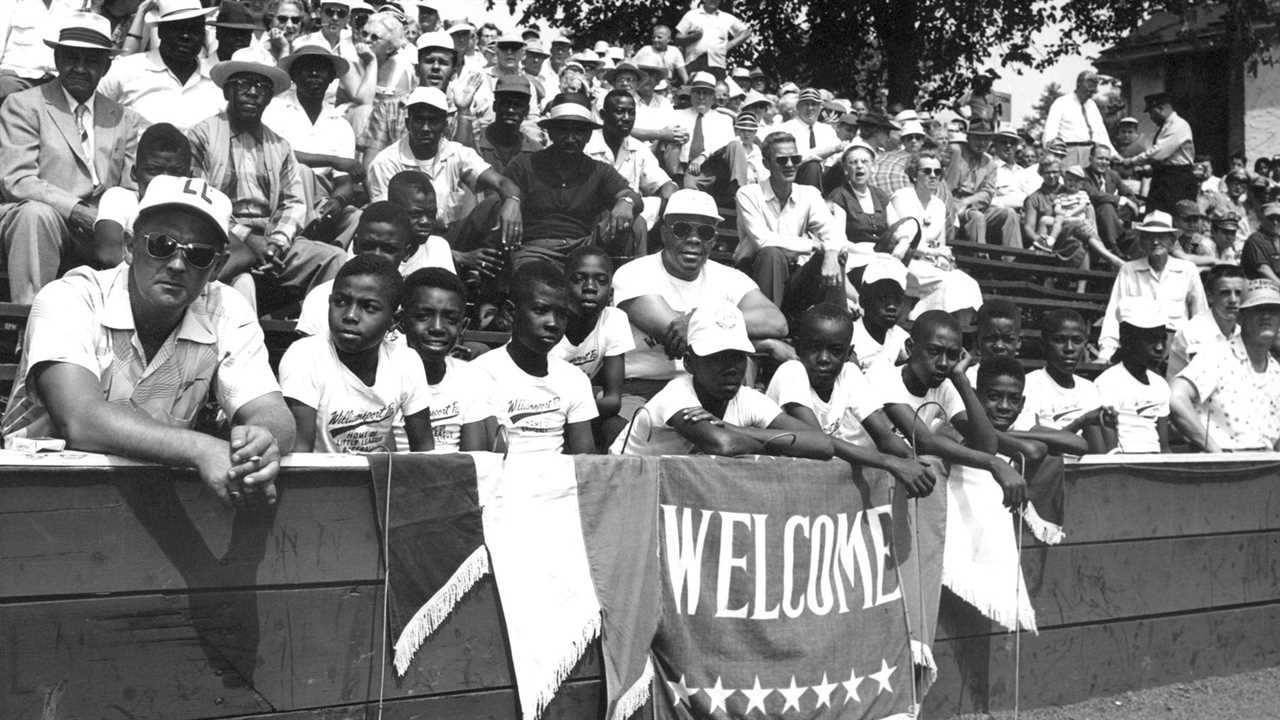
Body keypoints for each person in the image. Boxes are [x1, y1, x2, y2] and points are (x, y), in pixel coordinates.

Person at [1, 176, 294, 507]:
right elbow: (80, 420)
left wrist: (261, 441)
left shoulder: (226, 308)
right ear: (129, 246)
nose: (177, 264)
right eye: (161, 245)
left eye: (199, 254)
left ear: (217, 266)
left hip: (146, 494)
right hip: (32, 496)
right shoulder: (70, 297)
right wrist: (200, 448)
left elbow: (273, 412)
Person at [0, 13, 147, 303]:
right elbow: (17, 181)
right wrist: (76, 209)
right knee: (35, 215)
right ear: (57, 58)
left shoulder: (123, 118)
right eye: (71, 58)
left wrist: (108, 217)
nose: (80, 68)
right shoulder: (24, 105)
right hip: (42, 219)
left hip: (102, 229)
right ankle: (31, 326)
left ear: (106, 67)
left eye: (91, 61)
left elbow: (131, 186)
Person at [190, 48, 347, 313]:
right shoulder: (201, 135)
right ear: (227, 91)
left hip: (274, 241)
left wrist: (276, 244)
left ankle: (315, 338)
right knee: (242, 283)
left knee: (334, 259)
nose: (253, 92)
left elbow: (294, 203)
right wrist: (248, 238)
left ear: (269, 98)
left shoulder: (279, 145)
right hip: (224, 239)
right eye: (244, 84)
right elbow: (200, 200)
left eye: (262, 86)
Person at [612, 188, 789, 395]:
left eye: (705, 232)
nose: (694, 239)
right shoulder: (634, 273)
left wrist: (693, 320)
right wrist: (762, 343)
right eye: (682, 229)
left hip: (709, 391)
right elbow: (675, 331)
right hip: (648, 386)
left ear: (714, 239)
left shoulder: (730, 277)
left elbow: (776, 321)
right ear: (664, 233)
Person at [611, 301, 833, 458]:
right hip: (628, 484)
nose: (730, 368)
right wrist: (782, 443)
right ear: (689, 362)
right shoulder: (677, 395)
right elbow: (722, 444)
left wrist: (740, 430)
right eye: (717, 358)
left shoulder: (746, 398)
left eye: (737, 357)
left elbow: (821, 443)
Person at [766, 302, 937, 495]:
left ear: (849, 353)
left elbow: (884, 436)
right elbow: (818, 442)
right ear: (798, 347)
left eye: (835, 350)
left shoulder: (850, 374)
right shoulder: (791, 372)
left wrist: (912, 461)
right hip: (779, 481)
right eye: (814, 348)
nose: (823, 358)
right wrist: (892, 462)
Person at [868, 310, 1028, 508]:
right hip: (859, 475)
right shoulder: (882, 374)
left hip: (893, 482)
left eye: (952, 355)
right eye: (934, 351)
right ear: (910, 348)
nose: (943, 363)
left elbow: (986, 445)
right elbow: (924, 441)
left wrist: (961, 380)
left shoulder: (945, 385)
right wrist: (994, 463)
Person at [280, 254, 433, 453]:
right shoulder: (305, 356)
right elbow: (299, 454)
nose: (350, 316)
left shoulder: (406, 361)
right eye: (340, 302)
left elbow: (424, 448)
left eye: (369, 307)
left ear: (394, 320)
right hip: (317, 479)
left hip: (379, 478)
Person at [466, 260, 598, 454]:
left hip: (559, 482)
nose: (553, 323)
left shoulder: (574, 379)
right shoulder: (481, 374)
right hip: (502, 480)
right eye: (540, 310)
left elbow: (585, 460)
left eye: (561, 314)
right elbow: (479, 460)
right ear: (512, 312)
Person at [365, 85, 522, 243]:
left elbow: (503, 183)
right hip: (406, 241)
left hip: (453, 236)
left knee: (495, 202)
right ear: (407, 123)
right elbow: (386, 223)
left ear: (445, 124)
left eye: (433, 121)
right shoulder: (385, 162)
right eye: (419, 120)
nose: (425, 128)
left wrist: (513, 201)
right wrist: (455, 256)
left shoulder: (457, 153)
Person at [499, 100, 642, 262]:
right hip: (534, 248)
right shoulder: (525, 164)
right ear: (551, 132)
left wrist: (626, 201)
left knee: (636, 221)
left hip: (584, 246)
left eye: (579, 132)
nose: (571, 139)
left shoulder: (599, 170)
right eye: (563, 130)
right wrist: (512, 199)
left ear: (588, 136)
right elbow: (502, 189)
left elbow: (633, 196)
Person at [734, 130, 848, 313]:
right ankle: (767, 326)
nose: (789, 165)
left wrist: (831, 254)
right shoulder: (749, 194)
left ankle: (836, 327)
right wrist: (814, 245)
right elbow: (763, 240)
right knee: (771, 254)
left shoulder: (809, 194)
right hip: (754, 275)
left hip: (794, 275)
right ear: (766, 163)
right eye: (781, 160)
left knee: (835, 255)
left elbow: (833, 231)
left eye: (795, 159)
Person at [263, 44, 362, 248]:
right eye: (308, 68)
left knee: (356, 215)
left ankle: (330, 251)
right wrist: (332, 160)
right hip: (280, 194)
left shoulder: (340, 123)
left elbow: (343, 181)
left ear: (331, 78)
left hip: (323, 198)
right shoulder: (275, 109)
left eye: (322, 69)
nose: (315, 74)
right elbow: (278, 156)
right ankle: (299, 241)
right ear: (294, 75)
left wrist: (338, 201)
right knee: (302, 171)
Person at [1170, 278, 1280, 452]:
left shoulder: (1275, 371)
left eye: (1273, 310)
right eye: (1258, 309)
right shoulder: (1217, 356)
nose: (1266, 316)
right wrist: (1215, 452)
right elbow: (1176, 398)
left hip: (1266, 468)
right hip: (1223, 469)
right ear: (1242, 316)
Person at [1098, 210, 1208, 362]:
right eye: (1150, 237)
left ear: (1172, 241)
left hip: (1178, 349)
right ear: (1142, 241)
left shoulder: (1187, 270)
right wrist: (1105, 353)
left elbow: (1199, 315)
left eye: (1162, 236)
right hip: (1139, 348)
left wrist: (1198, 353)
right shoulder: (1129, 270)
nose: (1155, 242)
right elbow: (1113, 313)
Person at [888, 149, 984, 323]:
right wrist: (932, 255)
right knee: (946, 284)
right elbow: (904, 240)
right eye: (927, 171)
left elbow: (940, 244)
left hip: (931, 265)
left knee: (969, 284)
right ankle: (920, 319)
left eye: (937, 172)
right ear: (914, 174)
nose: (933, 176)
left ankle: (958, 334)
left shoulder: (939, 205)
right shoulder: (902, 197)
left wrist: (945, 260)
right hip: (906, 262)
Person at [399, 266, 488, 452]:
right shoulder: (385, 376)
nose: (438, 327)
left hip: (456, 476)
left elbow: (475, 458)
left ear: (463, 326)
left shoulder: (470, 377)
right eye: (423, 316)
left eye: (450, 319)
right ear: (401, 321)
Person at [98, 0, 224, 128]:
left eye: (194, 30)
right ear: (161, 31)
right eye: (178, 28)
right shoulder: (125, 70)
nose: (186, 36)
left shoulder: (217, 80)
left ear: (203, 35)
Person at [552, 247, 634, 438]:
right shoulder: (549, 321)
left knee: (618, 428)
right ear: (563, 286)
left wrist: (576, 412)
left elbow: (613, 400)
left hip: (576, 412)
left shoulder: (614, 319)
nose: (590, 286)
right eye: (579, 278)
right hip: (535, 410)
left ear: (611, 292)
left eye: (601, 280)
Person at [92, 123, 193, 270]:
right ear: (134, 173)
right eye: (153, 170)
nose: (163, 180)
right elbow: (108, 252)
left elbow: (238, 252)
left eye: (175, 172)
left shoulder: (196, 207)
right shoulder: (120, 199)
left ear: (190, 177)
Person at [1022, 309, 1116, 453]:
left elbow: (1105, 449)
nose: (1069, 348)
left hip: (1087, 469)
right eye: (1059, 340)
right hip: (1050, 467)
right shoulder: (1030, 385)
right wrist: (1081, 422)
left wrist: (1110, 425)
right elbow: (1032, 441)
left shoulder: (1090, 389)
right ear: (1044, 344)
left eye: (1077, 341)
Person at [585, 89, 678, 232]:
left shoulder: (638, 148)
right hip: (591, 215)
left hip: (629, 214)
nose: (627, 118)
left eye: (632, 112)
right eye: (620, 111)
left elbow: (662, 183)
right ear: (603, 115)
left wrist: (670, 194)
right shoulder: (587, 144)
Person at [1094, 298, 1172, 453]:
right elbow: (1111, 450)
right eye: (1150, 339)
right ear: (1127, 340)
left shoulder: (1160, 384)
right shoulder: (1108, 383)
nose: (1159, 347)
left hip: (1157, 465)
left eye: (1163, 338)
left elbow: (1164, 447)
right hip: (1126, 466)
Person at [946, 118, 1023, 248]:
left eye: (986, 139)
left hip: (973, 206)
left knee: (1010, 214)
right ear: (968, 137)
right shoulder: (956, 151)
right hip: (951, 204)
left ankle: (1014, 261)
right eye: (977, 138)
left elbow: (987, 193)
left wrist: (966, 202)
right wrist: (955, 203)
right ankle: (980, 259)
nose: (982, 143)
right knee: (977, 217)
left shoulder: (990, 163)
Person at [1116, 92, 1195, 214]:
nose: (1151, 118)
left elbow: (1159, 152)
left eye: (1152, 113)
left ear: (1161, 109)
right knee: (1155, 216)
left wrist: (1131, 161)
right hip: (1164, 177)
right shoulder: (1166, 126)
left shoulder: (1179, 125)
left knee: (1174, 217)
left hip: (1177, 180)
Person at [1166, 264, 1245, 379]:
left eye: (1238, 293)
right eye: (1225, 293)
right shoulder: (1192, 333)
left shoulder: (1243, 333)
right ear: (1210, 296)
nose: (1233, 300)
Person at [0, 0, 81, 103]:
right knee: (8, 89)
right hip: (17, 76)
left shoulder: (76, 4)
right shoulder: (10, 3)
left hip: (56, 78)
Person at [1041, 70, 1115, 168]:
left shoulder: (1092, 105)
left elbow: (1101, 133)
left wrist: (1113, 154)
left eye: (1091, 92)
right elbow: (1050, 133)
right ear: (1078, 85)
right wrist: (1052, 156)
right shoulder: (1061, 103)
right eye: (1086, 91)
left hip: (1092, 153)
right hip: (1069, 152)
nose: (1089, 94)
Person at [668, 71, 733, 178]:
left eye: (706, 93)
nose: (701, 97)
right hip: (684, 168)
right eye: (697, 92)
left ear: (713, 96)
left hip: (714, 168)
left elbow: (726, 145)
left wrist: (703, 156)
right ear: (691, 94)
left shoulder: (724, 120)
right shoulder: (677, 115)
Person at [471, 75, 543, 169]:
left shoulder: (534, 150)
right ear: (495, 106)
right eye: (505, 103)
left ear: (526, 110)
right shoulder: (476, 141)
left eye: (517, 105)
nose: (511, 110)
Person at [851, 261, 911, 371]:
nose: (892, 306)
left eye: (897, 299)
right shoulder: (851, 335)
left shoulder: (898, 336)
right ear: (863, 300)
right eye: (883, 298)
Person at [674, 0, 750, 82]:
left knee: (716, 92)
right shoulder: (691, 15)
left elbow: (746, 32)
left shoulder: (726, 17)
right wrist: (693, 37)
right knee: (693, 90)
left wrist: (728, 45)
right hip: (694, 62)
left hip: (717, 64)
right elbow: (677, 39)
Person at [1079, 144, 1135, 255]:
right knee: (1106, 206)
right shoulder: (1083, 174)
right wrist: (1120, 200)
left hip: (1111, 217)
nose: (1104, 162)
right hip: (1091, 215)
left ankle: (1118, 241)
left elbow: (1129, 194)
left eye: (1107, 159)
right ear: (1090, 159)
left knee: (1110, 207)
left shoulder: (1112, 175)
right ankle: (1115, 244)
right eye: (1100, 158)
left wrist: (1128, 205)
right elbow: (1094, 195)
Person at [779, 87, 840, 188]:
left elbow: (837, 158)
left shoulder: (827, 130)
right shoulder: (786, 129)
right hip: (796, 179)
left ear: (820, 108)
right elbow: (793, 160)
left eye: (814, 104)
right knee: (812, 166)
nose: (810, 108)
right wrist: (828, 152)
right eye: (805, 104)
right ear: (798, 107)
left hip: (825, 178)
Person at [1171, 199, 1218, 267]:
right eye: (1187, 220)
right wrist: (1215, 260)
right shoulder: (1169, 237)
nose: (1192, 225)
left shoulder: (1199, 240)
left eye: (1195, 220)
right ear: (1175, 220)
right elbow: (1184, 258)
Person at [1241, 202, 1280, 282]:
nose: (1275, 222)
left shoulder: (1277, 239)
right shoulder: (1255, 240)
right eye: (1271, 218)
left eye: (1279, 219)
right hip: (1262, 287)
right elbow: (1263, 269)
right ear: (1262, 219)